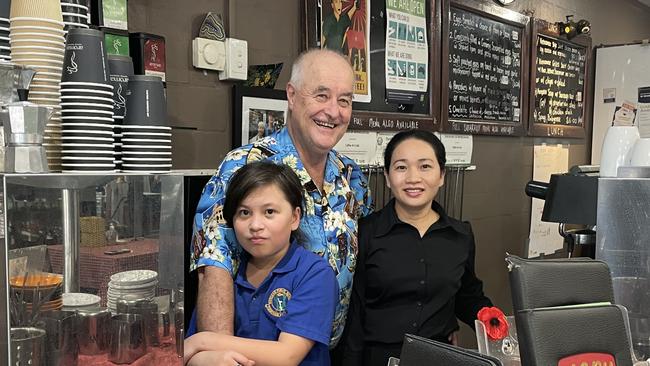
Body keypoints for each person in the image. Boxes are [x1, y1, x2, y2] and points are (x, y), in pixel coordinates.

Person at [188, 48, 372, 362]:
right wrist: (218, 353)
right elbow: (214, 265)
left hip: (329, 350)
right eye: (321, 95)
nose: (333, 111)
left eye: (344, 100)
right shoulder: (243, 164)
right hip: (257, 352)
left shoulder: (352, 177)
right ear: (291, 94)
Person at [341, 130, 493, 366]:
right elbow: (354, 315)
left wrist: (490, 318)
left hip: (439, 357)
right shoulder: (365, 233)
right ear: (388, 176)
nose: (413, 178)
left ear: (441, 175)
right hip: (378, 359)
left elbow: (467, 295)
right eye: (401, 167)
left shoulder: (460, 235)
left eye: (425, 166)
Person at [185, 161, 338, 366]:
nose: (255, 226)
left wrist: (204, 341)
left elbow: (287, 355)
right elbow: (191, 356)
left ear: (294, 217)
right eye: (244, 213)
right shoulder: (226, 271)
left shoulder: (314, 273)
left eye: (269, 212)